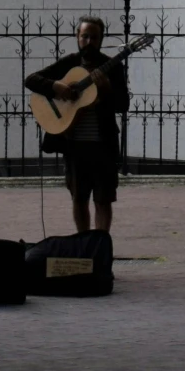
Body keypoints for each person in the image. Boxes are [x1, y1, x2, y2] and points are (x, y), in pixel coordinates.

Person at [25, 16, 129, 234]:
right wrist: (56, 87)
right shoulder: (69, 63)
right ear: (77, 37)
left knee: (103, 199)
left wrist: (107, 88)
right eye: (85, 36)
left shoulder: (112, 67)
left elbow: (123, 104)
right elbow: (31, 79)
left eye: (94, 37)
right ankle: (83, 243)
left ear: (101, 39)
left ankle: (100, 244)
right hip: (74, 145)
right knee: (79, 198)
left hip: (104, 144)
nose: (89, 41)